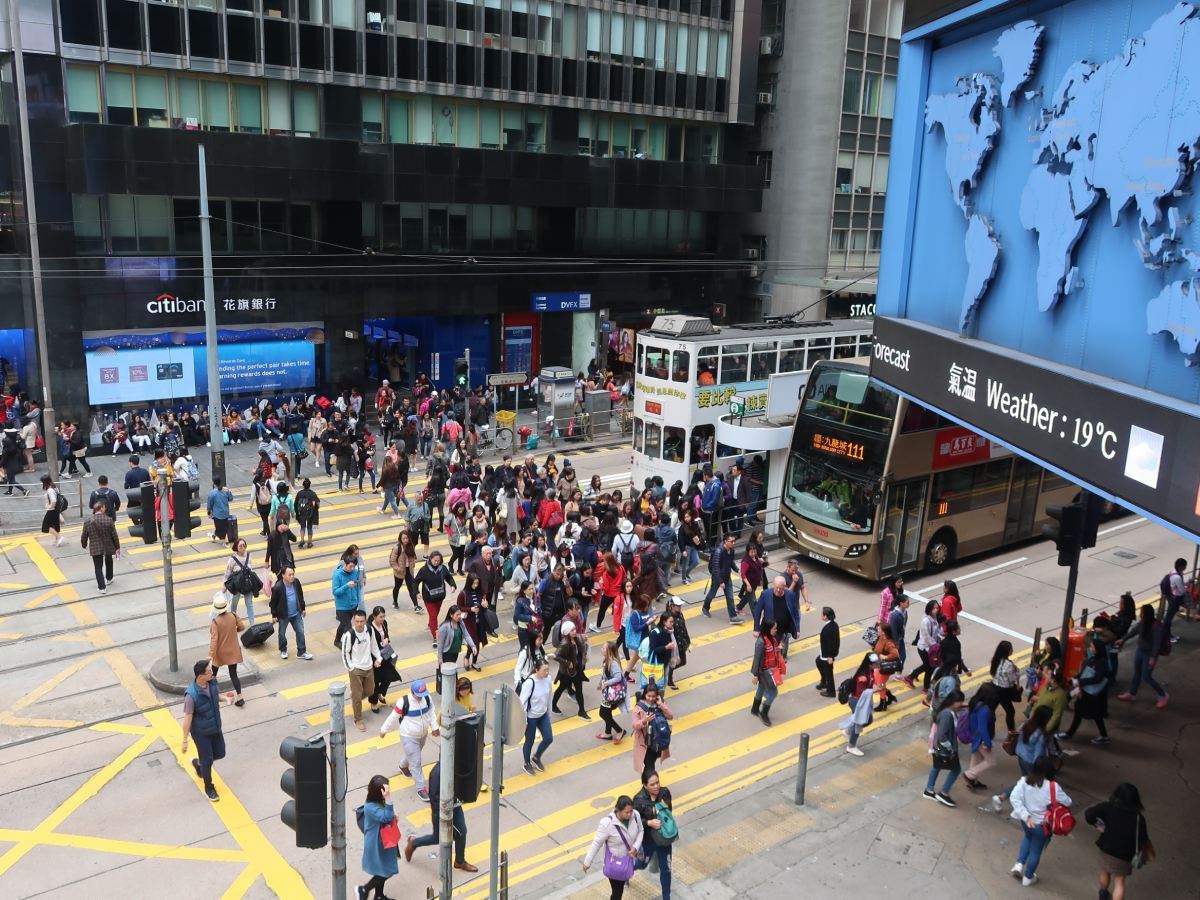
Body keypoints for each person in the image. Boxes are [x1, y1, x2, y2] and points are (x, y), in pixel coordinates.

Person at [403, 759, 479, 872]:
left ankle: (460, 861)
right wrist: (444, 815)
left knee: (462, 832)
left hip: (455, 804)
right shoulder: (438, 773)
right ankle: (413, 843)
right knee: (438, 838)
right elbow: (434, 798)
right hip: (442, 810)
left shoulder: (456, 765)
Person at [1009, 756, 1072, 887]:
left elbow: (1014, 798)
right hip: (1043, 826)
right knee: (1036, 851)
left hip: (1027, 822)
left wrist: (1026, 816)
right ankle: (1028, 877)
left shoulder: (1024, 781)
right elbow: (1068, 801)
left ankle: (1019, 864)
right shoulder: (1053, 787)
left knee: (1027, 838)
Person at [1085, 783, 1154, 900]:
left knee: (1105, 872)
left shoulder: (1107, 807)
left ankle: (1103, 893)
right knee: (1119, 883)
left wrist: (1099, 825)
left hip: (1106, 848)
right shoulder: (1138, 818)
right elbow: (1143, 839)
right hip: (1124, 854)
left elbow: (1089, 813)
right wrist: (1150, 852)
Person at [380, 679, 440, 801]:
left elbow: (431, 713)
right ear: (412, 692)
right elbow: (393, 716)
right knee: (416, 761)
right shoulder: (403, 702)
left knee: (413, 755)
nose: (420, 698)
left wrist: (434, 727)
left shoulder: (427, 698)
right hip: (408, 736)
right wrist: (383, 730)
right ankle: (421, 788)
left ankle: (403, 766)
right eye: (418, 696)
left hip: (423, 734)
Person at [992, 705, 1053, 812]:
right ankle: (1002, 797)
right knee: (1032, 783)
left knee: (1025, 781)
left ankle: (1002, 798)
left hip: (1021, 757)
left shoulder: (1027, 724)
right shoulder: (1041, 734)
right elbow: (1039, 754)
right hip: (1031, 762)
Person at [582, 796, 643, 900]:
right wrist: (587, 862)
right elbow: (597, 843)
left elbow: (641, 830)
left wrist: (636, 847)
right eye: (626, 812)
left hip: (629, 859)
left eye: (631, 811)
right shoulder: (607, 824)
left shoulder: (635, 815)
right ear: (618, 810)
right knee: (617, 892)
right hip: (615, 863)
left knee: (619, 889)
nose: (629, 814)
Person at [180, 660, 225, 802]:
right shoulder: (191, 696)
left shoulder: (212, 683)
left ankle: (198, 764)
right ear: (201, 676)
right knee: (208, 760)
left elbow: (216, 696)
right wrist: (184, 740)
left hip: (215, 727)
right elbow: (188, 719)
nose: (212, 673)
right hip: (201, 733)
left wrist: (228, 699)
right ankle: (209, 787)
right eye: (209, 671)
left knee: (220, 753)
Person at [1057, 632, 1111, 745]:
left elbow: (1097, 679)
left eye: (1092, 646)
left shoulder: (1102, 663)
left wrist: (1079, 681)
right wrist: (1074, 680)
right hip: (1087, 692)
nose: (1090, 648)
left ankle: (1070, 734)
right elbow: (1082, 673)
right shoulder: (1093, 660)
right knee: (1091, 714)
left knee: (1088, 713)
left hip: (1092, 694)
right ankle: (1103, 735)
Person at [1116, 603, 1170, 708]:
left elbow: (1156, 644)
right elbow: (1133, 631)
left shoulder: (1156, 627)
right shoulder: (1143, 623)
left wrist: (1153, 658)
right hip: (1140, 651)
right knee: (1137, 673)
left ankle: (1163, 695)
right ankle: (1132, 693)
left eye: (1142, 612)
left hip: (1149, 654)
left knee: (1147, 677)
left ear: (1146, 614)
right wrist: (1123, 640)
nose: (1140, 614)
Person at [632, 771, 675, 899]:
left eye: (657, 782)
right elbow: (635, 822)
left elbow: (669, 812)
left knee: (666, 869)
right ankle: (625, 872)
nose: (656, 786)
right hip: (648, 841)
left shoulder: (664, 793)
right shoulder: (638, 801)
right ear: (645, 786)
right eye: (652, 784)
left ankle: (666, 897)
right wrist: (649, 822)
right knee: (641, 864)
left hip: (664, 840)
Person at [358, 775, 399, 900]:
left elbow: (388, 815)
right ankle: (364, 889)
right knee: (387, 870)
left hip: (384, 840)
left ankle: (379, 895)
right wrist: (388, 799)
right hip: (377, 843)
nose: (388, 792)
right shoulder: (370, 807)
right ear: (378, 792)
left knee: (381, 868)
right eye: (385, 790)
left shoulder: (378, 801)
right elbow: (386, 817)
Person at [924, 689, 966, 807]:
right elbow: (942, 735)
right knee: (956, 769)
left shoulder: (946, 711)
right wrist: (950, 747)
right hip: (945, 748)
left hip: (937, 747)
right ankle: (944, 793)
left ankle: (929, 790)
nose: (961, 704)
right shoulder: (947, 714)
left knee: (937, 766)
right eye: (960, 702)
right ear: (954, 701)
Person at [342, 609, 381, 732]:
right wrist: (351, 668)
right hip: (356, 670)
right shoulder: (349, 635)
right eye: (357, 621)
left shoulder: (369, 630)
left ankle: (355, 698)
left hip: (369, 667)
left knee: (370, 690)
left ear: (365, 620)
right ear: (353, 620)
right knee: (358, 696)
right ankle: (358, 719)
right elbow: (345, 653)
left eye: (362, 621)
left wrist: (378, 658)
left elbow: (374, 646)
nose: (359, 624)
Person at [208, 594, 245, 707]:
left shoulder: (215, 622)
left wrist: (210, 655)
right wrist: (234, 630)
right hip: (232, 650)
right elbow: (242, 627)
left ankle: (212, 695)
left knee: (213, 674)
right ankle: (240, 697)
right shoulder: (233, 616)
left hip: (220, 653)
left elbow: (214, 640)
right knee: (233, 674)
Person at [518, 660, 555, 776]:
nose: (547, 672)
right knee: (529, 741)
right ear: (537, 670)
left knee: (549, 738)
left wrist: (549, 714)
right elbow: (522, 703)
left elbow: (549, 697)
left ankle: (536, 757)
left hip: (543, 715)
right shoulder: (530, 683)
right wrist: (524, 721)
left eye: (548, 669)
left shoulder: (548, 679)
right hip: (531, 717)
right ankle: (526, 763)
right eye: (544, 670)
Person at [631, 681, 673, 780]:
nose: (651, 699)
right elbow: (634, 725)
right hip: (645, 744)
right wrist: (644, 721)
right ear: (644, 695)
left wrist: (661, 705)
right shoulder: (639, 708)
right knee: (650, 767)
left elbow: (670, 716)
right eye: (648, 696)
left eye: (653, 696)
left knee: (651, 765)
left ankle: (647, 784)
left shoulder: (660, 704)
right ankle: (648, 784)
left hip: (658, 741)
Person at [962, 684, 1000, 791]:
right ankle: (969, 775)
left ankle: (972, 781)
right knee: (991, 761)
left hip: (974, 736)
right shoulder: (984, 710)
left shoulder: (974, 703)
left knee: (977, 758)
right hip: (980, 739)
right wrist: (988, 743)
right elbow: (982, 728)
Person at [753, 575, 801, 658]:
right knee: (766, 652)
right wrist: (756, 629)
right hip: (769, 630)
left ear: (784, 587)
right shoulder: (765, 594)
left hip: (783, 631)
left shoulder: (791, 595)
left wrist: (797, 629)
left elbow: (796, 614)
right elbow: (757, 612)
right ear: (773, 585)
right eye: (776, 587)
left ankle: (781, 660)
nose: (778, 590)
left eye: (781, 588)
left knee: (781, 652)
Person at [415, 550, 456, 646]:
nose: (437, 562)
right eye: (435, 560)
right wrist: (416, 592)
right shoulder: (424, 570)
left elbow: (448, 577)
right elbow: (415, 582)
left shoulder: (443, 568)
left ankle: (431, 625)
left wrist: (452, 585)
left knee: (435, 614)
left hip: (440, 596)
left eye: (439, 560)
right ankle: (435, 636)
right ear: (430, 559)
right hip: (428, 598)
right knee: (433, 615)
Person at [269, 566, 311, 660]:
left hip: (296, 613)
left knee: (300, 631)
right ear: (283, 575)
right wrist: (274, 615)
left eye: (293, 574)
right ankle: (283, 650)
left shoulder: (296, 582)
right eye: (289, 574)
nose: (292, 576)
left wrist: (303, 608)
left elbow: (300, 595)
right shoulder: (278, 587)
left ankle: (301, 652)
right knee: (282, 633)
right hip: (284, 615)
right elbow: (273, 603)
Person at [701, 533, 744, 624]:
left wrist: (737, 570)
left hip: (727, 577)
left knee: (730, 597)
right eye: (731, 541)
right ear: (725, 541)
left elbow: (730, 562)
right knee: (712, 594)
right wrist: (720, 581)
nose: (733, 543)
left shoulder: (731, 550)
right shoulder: (718, 551)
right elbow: (715, 568)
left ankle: (733, 617)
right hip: (718, 578)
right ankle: (705, 607)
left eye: (734, 541)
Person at [842, 653, 879, 756]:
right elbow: (861, 693)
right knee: (859, 722)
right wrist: (874, 690)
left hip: (862, 701)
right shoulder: (862, 677)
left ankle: (848, 731)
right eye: (875, 663)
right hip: (857, 701)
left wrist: (875, 687)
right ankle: (851, 746)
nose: (876, 665)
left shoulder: (870, 671)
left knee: (868, 719)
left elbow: (872, 683)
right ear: (869, 664)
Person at [553, 619, 590, 719]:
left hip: (576, 670)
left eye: (574, 629)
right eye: (572, 630)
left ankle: (581, 711)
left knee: (579, 689)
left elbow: (581, 648)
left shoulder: (577, 638)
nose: (574, 631)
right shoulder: (565, 643)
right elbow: (556, 656)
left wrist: (584, 657)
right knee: (561, 688)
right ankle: (553, 705)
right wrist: (567, 663)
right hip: (566, 672)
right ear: (567, 632)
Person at [80, 501, 120, 594]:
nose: (105, 508)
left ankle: (102, 588)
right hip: (108, 545)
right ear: (101, 508)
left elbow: (84, 536)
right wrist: (117, 547)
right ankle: (109, 578)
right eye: (104, 507)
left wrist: (84, 544)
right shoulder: (108, 520)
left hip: (95, 547)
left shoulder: (88, 521)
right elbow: (114, 535)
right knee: (109, 560)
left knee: (98, 567)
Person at [750, 618, 784, 726]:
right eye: (774, 628)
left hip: (770, 669)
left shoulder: (771, 638)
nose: (776, 630)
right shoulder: (761, 642)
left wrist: (778, 648)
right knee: (773, 693)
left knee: (761, 688)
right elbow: (757, 659)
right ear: (768, 629)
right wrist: (755, 675)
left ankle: (755, 709)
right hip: (764, 672)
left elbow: (772, 652)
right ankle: (764, 713)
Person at [366, 606, 400, 710]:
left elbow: (387, 635)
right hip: (375, 658)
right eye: (380, 617)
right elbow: (369, 646)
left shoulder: (384, 624)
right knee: (375, 681)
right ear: (374, 617)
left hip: (385, 655)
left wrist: (387, 640)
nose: (382, 619)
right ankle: (373, 702)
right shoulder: (369, 629)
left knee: (389, 675)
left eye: (383, 616)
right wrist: (375, 659)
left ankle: (380, 692)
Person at [905, 600, 943, 693]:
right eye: (934, 608)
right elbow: (926, 636)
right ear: (929, 609)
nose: (936, 610)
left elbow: (937, 631)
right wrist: (936, 646)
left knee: (928, 666)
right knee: (930, 667)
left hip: (931, 647)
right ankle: (926, 687)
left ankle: (910, 677)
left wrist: (943, 636)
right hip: (924, 648)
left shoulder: (935, 619)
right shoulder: (926, 621)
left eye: (937, 608)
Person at [596, 640, 629, 744]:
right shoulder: (606, 660)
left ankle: (620, 731)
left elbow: (618, 677)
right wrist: (600, 683)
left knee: (603, 713)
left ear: (609, 651)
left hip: (613, 694)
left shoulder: (613, 662)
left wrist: (606, 683)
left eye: (603, 648)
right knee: (607, 712)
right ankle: (607, 733)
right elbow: (604, 675)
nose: (601, 649)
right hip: (608, 692)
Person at [989, 640, 1021, 732]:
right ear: (1007, 652)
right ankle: (1012, 731)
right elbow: (1012, 679)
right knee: (1010, 711)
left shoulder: (995, 659)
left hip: (993, 687)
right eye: (1011, 649)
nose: (1012, 650)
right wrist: (1017, 671)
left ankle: (990, 731)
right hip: (1004, 691)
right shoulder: (1009, 665)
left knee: (991, 711)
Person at [436, 603, 477, 669]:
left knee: (452, 671)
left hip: (456, 652)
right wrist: (440, 659)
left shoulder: (460, 622)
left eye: (460, 614)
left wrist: (473, 646)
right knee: (449, 673)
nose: (459, 616)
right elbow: (440, 644)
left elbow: (466, 635)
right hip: (447, 654)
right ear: (451, 615)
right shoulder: (444, 627)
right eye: (457, 615)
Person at [389, 529, 421, 612]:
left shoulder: (411, 546)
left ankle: (416, 606)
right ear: (400, 539)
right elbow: (392, 561)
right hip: (399, 571)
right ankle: (395, 601)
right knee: (397, 587)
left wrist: (413, 564)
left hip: (409, 571)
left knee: (411, 588)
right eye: (403, 538)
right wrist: (398, 569)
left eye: (407, 538)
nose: (406, 540)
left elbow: (413, 557)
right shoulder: (397, 548)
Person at [815, 606, 840, 697]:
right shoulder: (833, 624)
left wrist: (831, 656)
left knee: (829, 673)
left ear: (825, 616)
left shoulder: (828, 629)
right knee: (818, 662)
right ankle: (824, 681)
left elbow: (833, 643)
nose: (821, 615)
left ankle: (831, 691)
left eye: (822, 614)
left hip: (827, 655)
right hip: (825, 653)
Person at [1161, 556, 1188, 633]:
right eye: (1184, 566)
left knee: (1169, 616)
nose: (1185, 567)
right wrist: (1186, 589)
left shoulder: (1173, 572)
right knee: (1169, 618)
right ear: (1180, 566)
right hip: (1175, 599)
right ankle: (1167, 635)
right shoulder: (1178, 577)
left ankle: (1166, 634)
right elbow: (1182, 591)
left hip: (1171, 597)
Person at [206, 477, 234, 544]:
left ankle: (226, 543)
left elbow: (209, 504)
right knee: (221, 527)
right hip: (226, 513)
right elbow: (231, 498)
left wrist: (209, 512)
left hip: (217, 514)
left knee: (220, 529)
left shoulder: (212, 493)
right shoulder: (226, 490)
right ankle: (213, 536)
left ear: (213, 482)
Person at [294, 478, 319, 548]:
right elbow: (318, 503)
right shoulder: (312, 493)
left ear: (303, 485)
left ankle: (302, 540)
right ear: (310, 485)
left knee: (302, 527)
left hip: (301, 513)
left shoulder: (299, 493)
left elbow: (295, 504)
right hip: (310, 513)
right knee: (309, 527)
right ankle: (309, 542)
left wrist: (296, 513)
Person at [40, 475, 64, 547]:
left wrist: (50, 506)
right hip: (56, 510)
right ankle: (57, 540)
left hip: (52, 510)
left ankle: (59, 537)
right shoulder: (54, 487)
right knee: (55, 525)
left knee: (46, 526)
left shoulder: (50, 490)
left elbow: (53, 500)